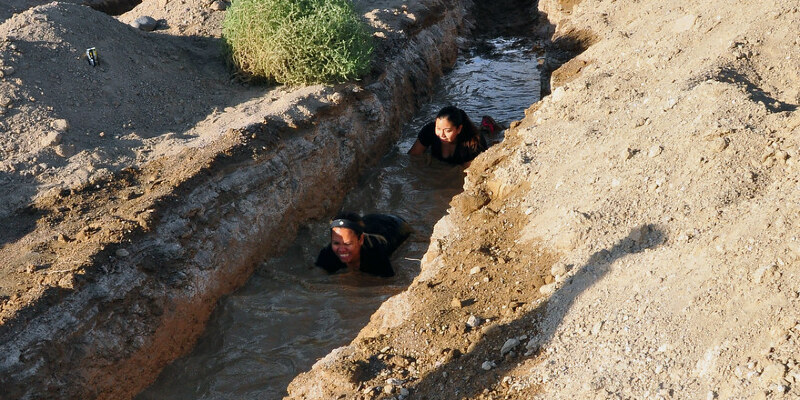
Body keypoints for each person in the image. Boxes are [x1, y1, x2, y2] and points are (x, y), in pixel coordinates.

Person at [315, 212, 413, 277]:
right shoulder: (327, 253)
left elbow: (388, 282)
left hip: (396, 224)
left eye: (348, 244)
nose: (341, 249)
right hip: (367, 222)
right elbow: (316, 278)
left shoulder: (374, 252)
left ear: (360, 240)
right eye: (336, 243)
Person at [407, 106, 490, 167]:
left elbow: (469, 173)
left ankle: (488, 126)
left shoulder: (473, 143)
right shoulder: (429, 131)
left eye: (448, 131)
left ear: (459, 129)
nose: (442, 135)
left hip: (471, 145)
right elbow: (413, 155)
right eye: (438, 128)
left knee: (488, 133)